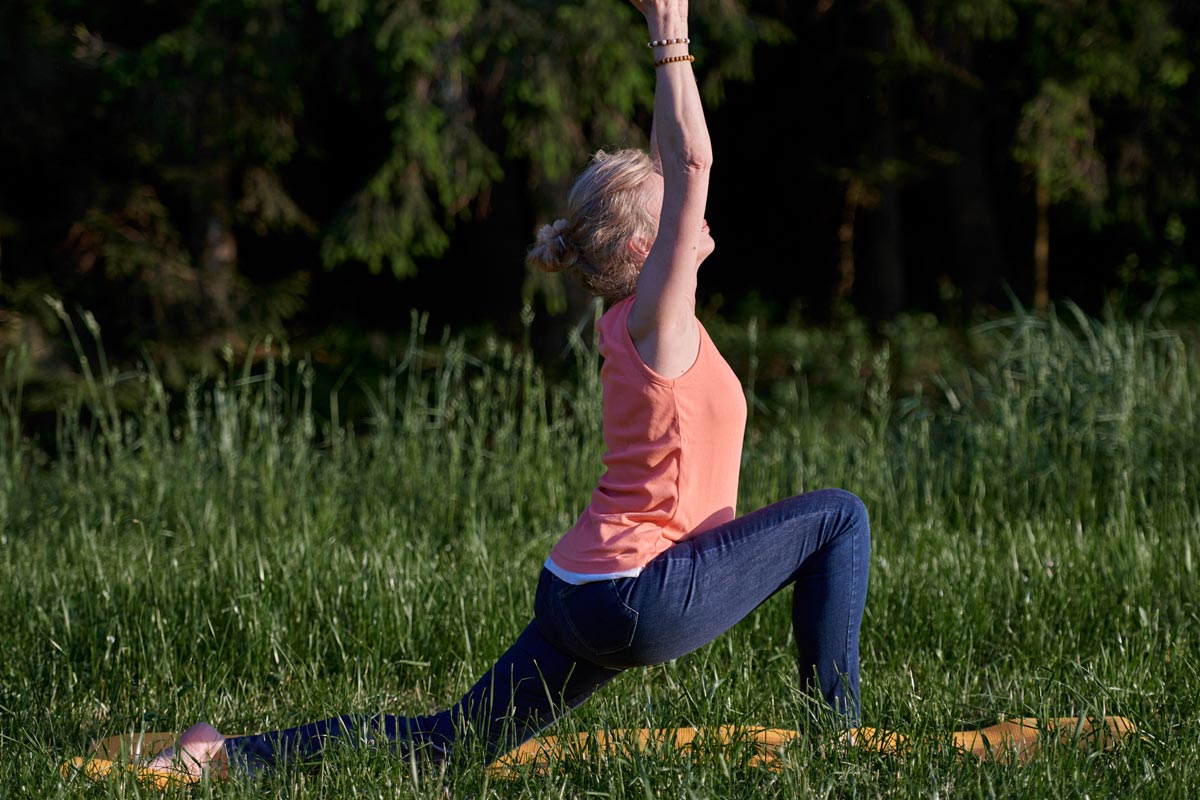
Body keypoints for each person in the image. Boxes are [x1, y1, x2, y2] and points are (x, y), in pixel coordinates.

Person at [151, 0, 870, 779]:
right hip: (637, 598)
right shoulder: (658, 321)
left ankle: (225, 760)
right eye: (666, 217)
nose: (690, 207)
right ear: (643, 248)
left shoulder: (633, 323)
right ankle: (839, 748)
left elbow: (679, 159)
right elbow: (693, 161)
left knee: (449, 744)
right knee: (840, 518)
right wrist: (670, 31)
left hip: (575, 592)